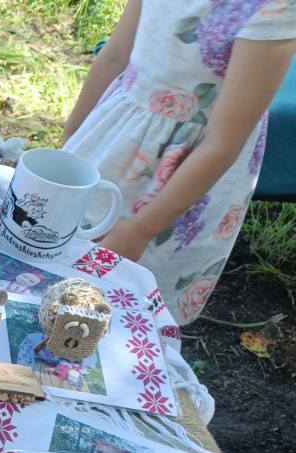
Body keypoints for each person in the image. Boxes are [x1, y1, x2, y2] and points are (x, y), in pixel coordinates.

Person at [62, 0, 296, 322]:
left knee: (120, 304)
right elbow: (114, 57)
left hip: (180, 183)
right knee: (57, 252)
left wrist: (140, 230)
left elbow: (222, 144)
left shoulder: (274, 10)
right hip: (112, 134)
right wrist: (69, 141)